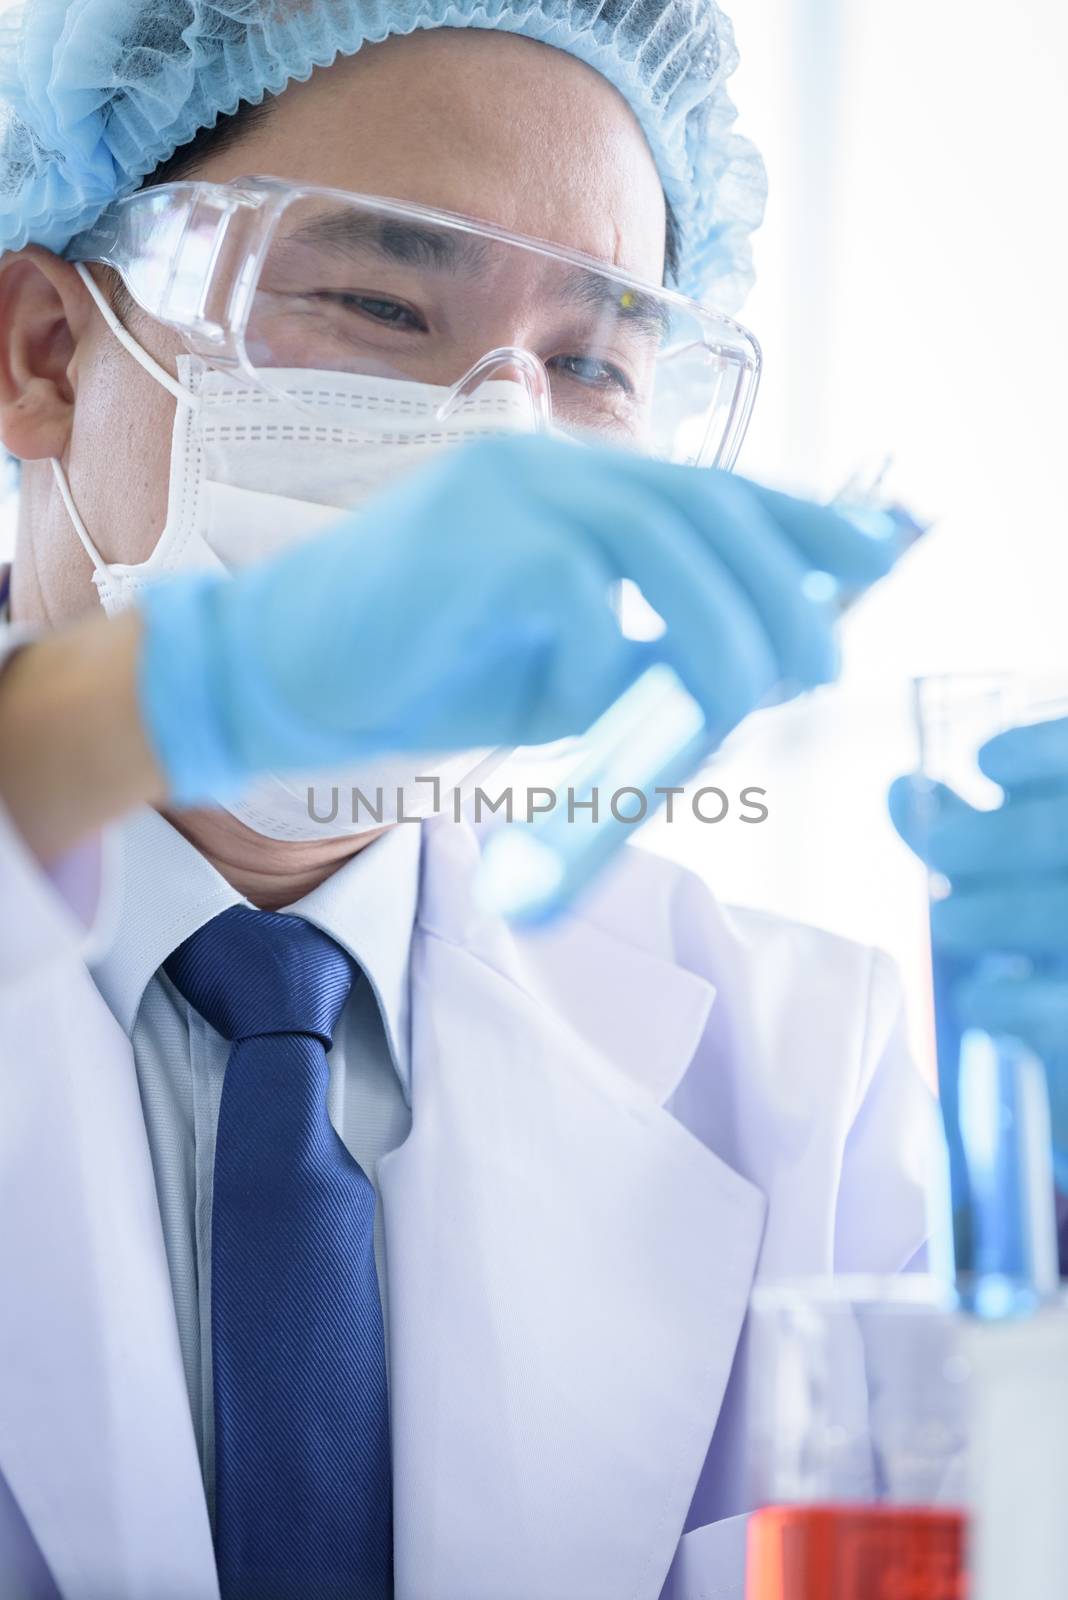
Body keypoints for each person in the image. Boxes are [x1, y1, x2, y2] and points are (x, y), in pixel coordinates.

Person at [0, 1, 1061, 1596]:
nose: (498, 439)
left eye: (589, 364)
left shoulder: (799, 1078)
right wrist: (153, 697)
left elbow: (999, 1541)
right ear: (46, 355)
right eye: (372, 301)